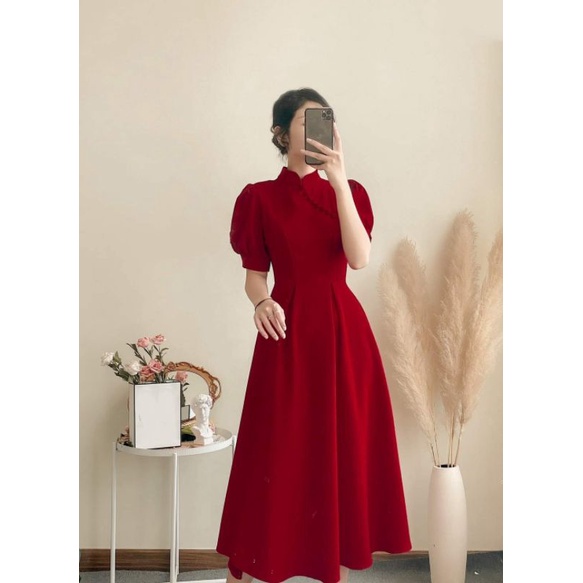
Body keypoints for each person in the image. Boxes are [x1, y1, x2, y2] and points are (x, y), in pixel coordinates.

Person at [216, 88, 411, 583]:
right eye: (307, 121)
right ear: (281, 133)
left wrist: (339, 180)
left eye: (325, 120)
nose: (319, 129)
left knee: (340, 446)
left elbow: (359, 258)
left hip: (343, 333)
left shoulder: (352, 192)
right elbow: (254, 275)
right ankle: (269, 558)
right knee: (280, 447)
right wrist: (261, 302)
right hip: (287, 330)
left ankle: (329, 556)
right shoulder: (259, 197)